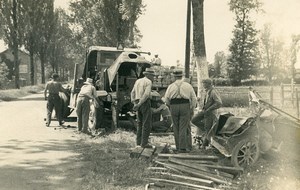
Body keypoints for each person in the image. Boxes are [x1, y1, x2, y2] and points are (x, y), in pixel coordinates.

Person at [164, 70, 197, 153]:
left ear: (174, 77)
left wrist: (171, 106)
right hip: (185, 106)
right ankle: (183, 147)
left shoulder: (171, 86)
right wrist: (192, 108)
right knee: (183, 126)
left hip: (173, 106)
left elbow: (166, 99)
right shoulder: (188, 86)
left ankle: (178, 146)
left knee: (175, 126)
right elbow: (194, 99)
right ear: (181, 76)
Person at [191, 78, 222, 149]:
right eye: (203, 83)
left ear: (209, 84)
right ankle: (205, 133)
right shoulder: (207, 91)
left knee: (208, 129)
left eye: (205, 83)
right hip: (205, 111)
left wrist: (210, 109)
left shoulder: (213, 92)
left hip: (211, 113)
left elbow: (219, 103)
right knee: (193, 120)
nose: (203, 85)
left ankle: (205, 145)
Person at [131, 67, 155, 148]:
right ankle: (144, 143)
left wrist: (135, 103)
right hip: (144, 102)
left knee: (139, 123)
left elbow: (132, 93)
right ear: (148, 75)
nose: (153, 77)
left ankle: (138, 142)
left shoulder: (138, 81)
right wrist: (140, 103)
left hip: (137, 101)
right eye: (152, 75)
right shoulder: (148, 82)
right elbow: (146, 94)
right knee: (146, 123)